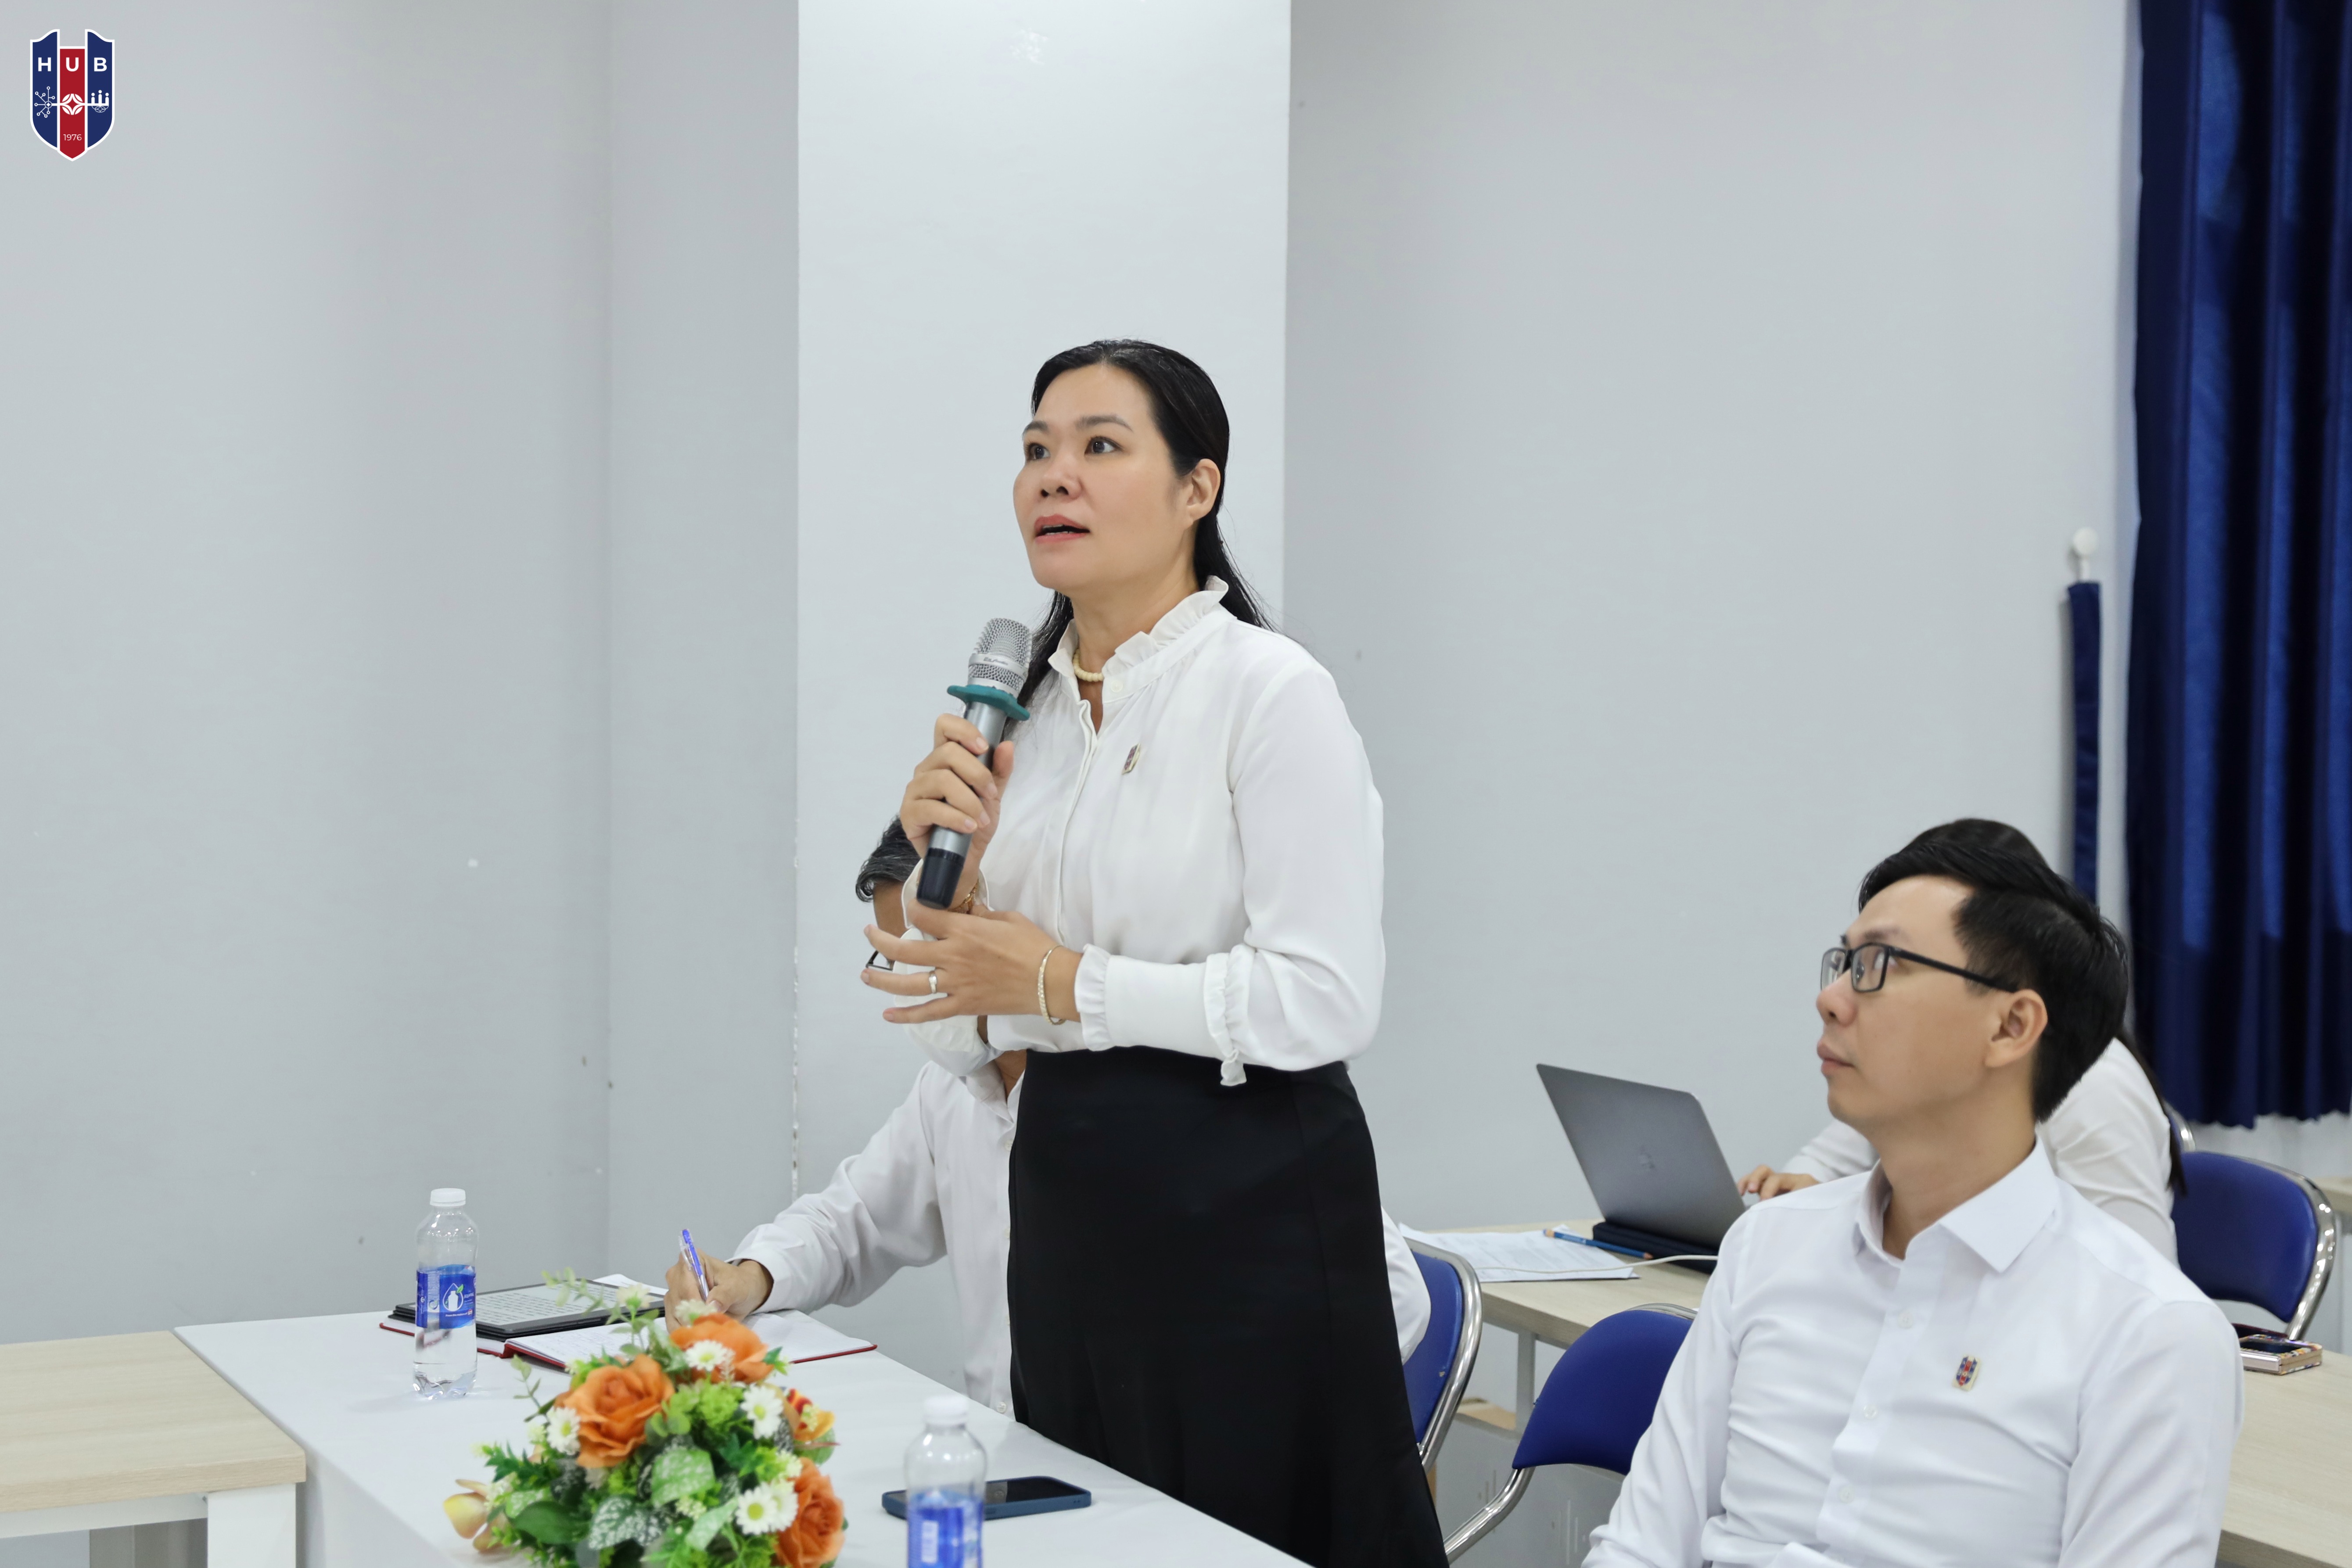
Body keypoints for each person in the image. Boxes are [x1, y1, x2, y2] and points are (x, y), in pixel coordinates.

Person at [855, 341, 1446, 1565]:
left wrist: (1063, 983)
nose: (1051, 475)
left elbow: (1323, 998)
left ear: (1196, 488)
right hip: (1068, 1200)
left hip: (1246, 1204)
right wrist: (940, 886)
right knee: (1081, 1533)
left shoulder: (1268, 691)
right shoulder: (1018, 720)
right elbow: (970, 1013)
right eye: (1035, 449)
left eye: (1098, 445)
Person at [1584, 837, 2242, 1568]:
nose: (1830, 998)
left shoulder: (2150, 1332)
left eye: (1879, 965)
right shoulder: (1767, 1244)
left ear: (2009, 1026)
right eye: (1842, 962)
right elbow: (1642, 1543)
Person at [662, 854, 1433, 1417]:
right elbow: (850, 1221)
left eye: (933, 956)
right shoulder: (954, 1092)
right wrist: (752, 1275)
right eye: (896, 960)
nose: (920, 986)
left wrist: (1208, 1399)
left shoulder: (1158, 1089)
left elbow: (1392, 1299)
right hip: (1009, 1463)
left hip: (1155, 1480)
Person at [1737, 818, 2182, 1262]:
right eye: (1851, 961)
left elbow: (2135, 1265)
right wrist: (1793, 1203)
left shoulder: (2098, 1085)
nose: (1828, 1000)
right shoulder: (1902, 1100)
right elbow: (1825, 1161)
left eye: (1884, 962)